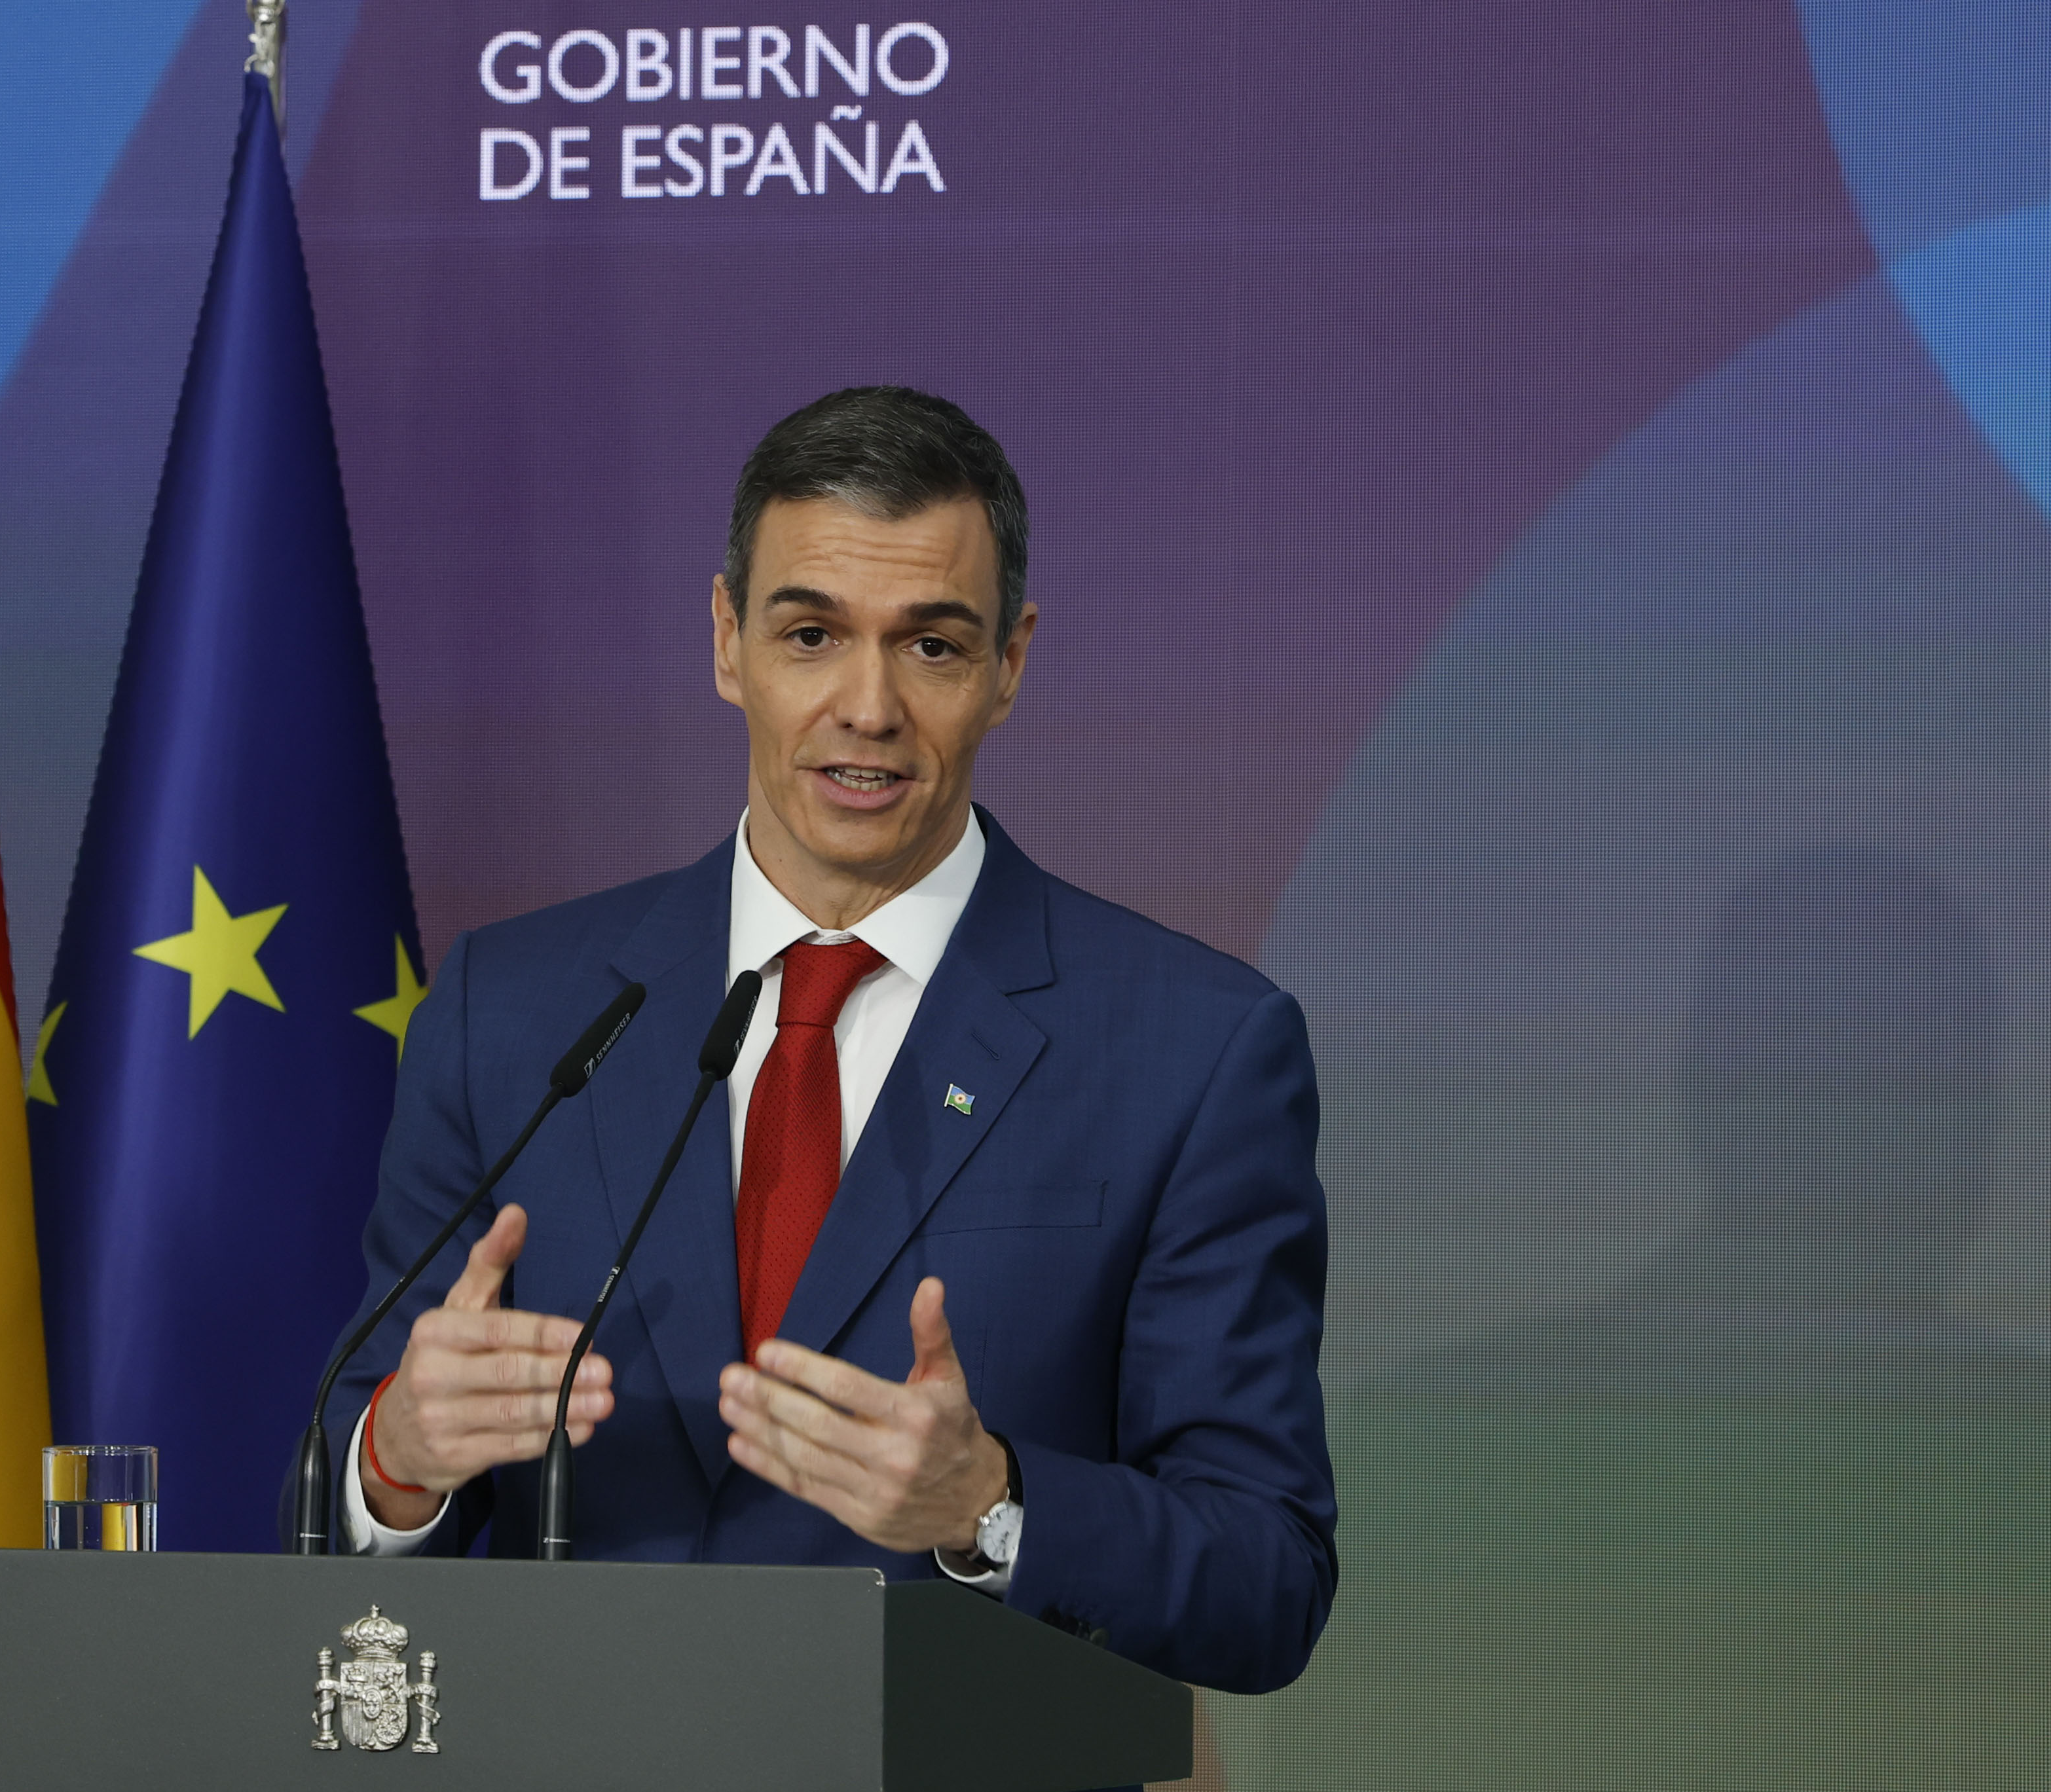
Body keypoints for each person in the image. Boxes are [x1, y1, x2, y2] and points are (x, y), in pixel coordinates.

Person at [281, 386, 1337, 1694]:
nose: (866, 705)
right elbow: (338, 1514)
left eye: (932, 647)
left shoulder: (1190, 1049)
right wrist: (398, 1455)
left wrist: (988, 1503)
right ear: (727, 640)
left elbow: (1266, 1577)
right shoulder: (514, 1015)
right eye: (809, 633)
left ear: (1009, 662)